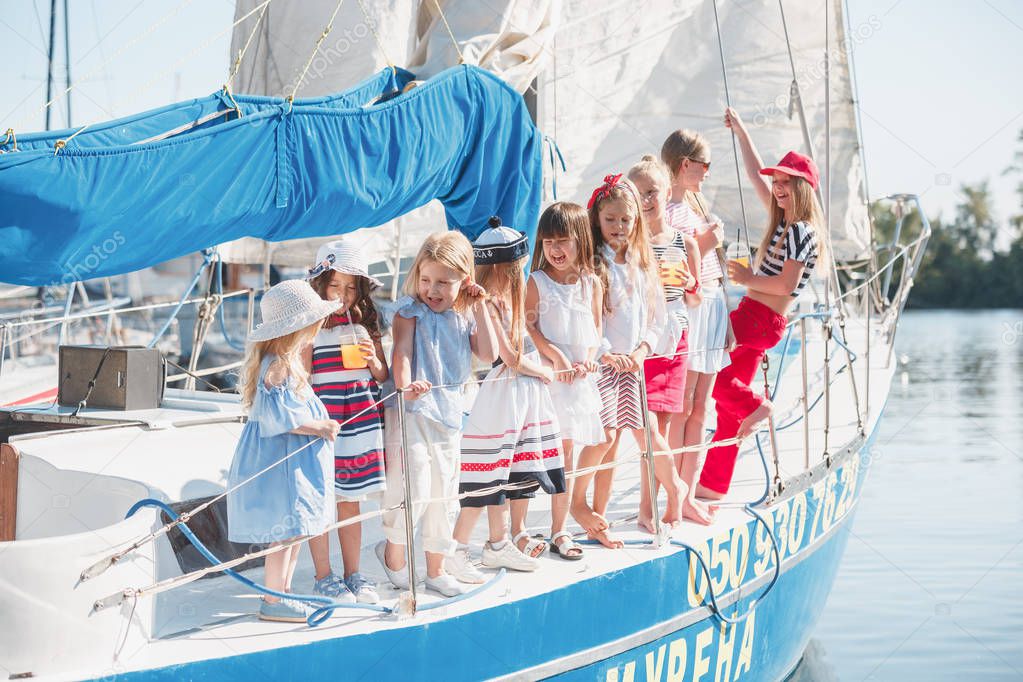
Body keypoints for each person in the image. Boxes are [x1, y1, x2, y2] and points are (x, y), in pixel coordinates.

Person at [698, 108, 825, 498]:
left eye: (789, 182)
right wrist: (742, 133)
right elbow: (756, 174)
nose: (780, 187)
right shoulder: (783, 220)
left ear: (804, 188)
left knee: (712, 375)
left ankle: (761, 407)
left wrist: (747, 278)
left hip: (760, 318)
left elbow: (786, 285)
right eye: (780, 181)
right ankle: (712, 488)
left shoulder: (802, 230)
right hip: (755, 316)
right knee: (729, 413)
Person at [376, 231, 499, 597]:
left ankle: (435, 567)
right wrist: (405, 385)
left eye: (444, 283)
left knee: (443, 493)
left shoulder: (465, 316)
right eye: (427, 280)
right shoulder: (408, 311)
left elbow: (488, 354)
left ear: (464, 281)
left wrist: (480, 307)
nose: (433, 289)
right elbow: (401, 353)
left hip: (448, 415)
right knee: (410, 485)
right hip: (411, 410)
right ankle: (394, 555)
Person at [447, 218, 567, 583]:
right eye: (517, 265)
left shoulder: (503, 300)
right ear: (505, 266)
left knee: (508, 470)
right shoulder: (488, 303)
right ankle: (456, 549)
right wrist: (542, 371)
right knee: (487, 473)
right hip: (505, 393)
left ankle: (497, 543)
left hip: (518, 395)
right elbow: (506, 356)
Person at [575, 174, 685, 548]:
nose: (619, 227)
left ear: (636, 221)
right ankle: (588, 509)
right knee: (605, 437)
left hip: (633, 365)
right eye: (611, 220)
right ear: (597, 220)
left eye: (626, 219)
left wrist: (641, 351)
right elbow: (589, 319)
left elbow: (658, 318)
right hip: (604, 365)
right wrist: (607, 351)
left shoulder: (643, 263)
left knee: (638, 436)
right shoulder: (593, 264)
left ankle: (670, 492)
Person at [227, 280, 342, 623]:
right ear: (297, 328)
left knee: (295, 530)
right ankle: (273, 599)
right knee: (284, 531)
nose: (319, 326)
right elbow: (278, 418)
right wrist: (320, 427)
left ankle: (284, 592)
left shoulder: (287, 362)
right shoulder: (277, 366)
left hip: (292, 461)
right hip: (281, 463)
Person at [628, 156, 714, 528]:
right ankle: (673, 490)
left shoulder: (686, 244)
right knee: (642, 428)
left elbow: (694, 298)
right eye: (637, 195)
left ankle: (658, 506)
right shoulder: (629, 245)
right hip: (640, 342)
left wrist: (688, 286)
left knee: (660, 428)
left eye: (651, 192)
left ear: (667, 192)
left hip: (674, 340)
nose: (646, 200)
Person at [303, 240, 388, 604]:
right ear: (321, 284)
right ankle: (324, 576)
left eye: (352, 287)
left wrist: (372, 360)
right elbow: (304, 378)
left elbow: (383, 377)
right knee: (321, 502)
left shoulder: (366, 325)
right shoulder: (309, 327)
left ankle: (353, 573)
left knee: (350, 502)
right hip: (326, 424)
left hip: (358, 423)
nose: (343, 294)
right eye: (336, 285)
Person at [525, 202, 605, 561]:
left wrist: (587, 357)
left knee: (567, 455)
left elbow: (596, 329)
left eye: (564, 241)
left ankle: (560, 529)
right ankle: (520, 530)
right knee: (539, 453)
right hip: (548, 380)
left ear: (580, 241)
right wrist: (555, 355)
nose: (556, 249)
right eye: (548, 242)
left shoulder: (591, 284)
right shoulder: (536, 282)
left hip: (578, 382)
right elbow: (527, 326)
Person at [661, 128, 731, 515]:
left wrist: (729, 322)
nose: (707, 173)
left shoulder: (697, 207)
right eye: (704, 165)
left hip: (713, 306)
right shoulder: (664, 211)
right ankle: (674, 493)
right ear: (685, 164)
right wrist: (706, 243)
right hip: (689, 310)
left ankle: (687, 493)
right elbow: (668, 265)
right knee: (682, 406)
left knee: (701, 406)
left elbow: (714, 270)